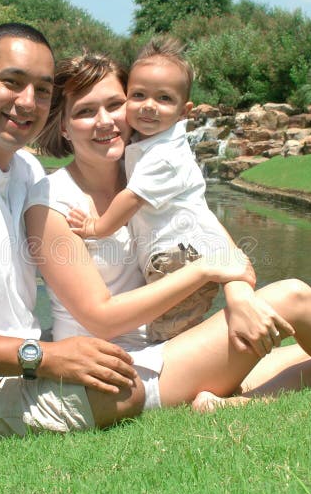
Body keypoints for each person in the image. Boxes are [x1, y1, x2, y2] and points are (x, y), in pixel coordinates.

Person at [24, 51, 311, 414]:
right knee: (291, 296)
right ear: (62, 125)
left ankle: (234, 404)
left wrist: (237, 296)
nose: (107, 122)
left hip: (167, 349)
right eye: (86, 112)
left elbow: (232, 256)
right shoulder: (52, 202)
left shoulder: (152, 183)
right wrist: (206, 272)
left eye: (114, 104)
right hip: (118, 374)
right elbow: (103, 318)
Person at [0, 24, 248, 449]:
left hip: (15, 373)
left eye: (42, 90)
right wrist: (42, 357)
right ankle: (217, 388)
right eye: (12, 82)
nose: (27, 101)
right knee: (120, 386)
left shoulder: (25, 172)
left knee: (271, 326)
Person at [67, 36, 229, 343]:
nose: (149, 107)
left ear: (185, 111)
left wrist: (96, 226)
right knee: (179, 330)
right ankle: (206, 385)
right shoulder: (147, 142)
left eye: (164, 99)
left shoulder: (165, 155)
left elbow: (131, 198)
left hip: (178, 258)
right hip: (178, 256)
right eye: (139, 95)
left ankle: (202, 387)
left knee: (170, 337)